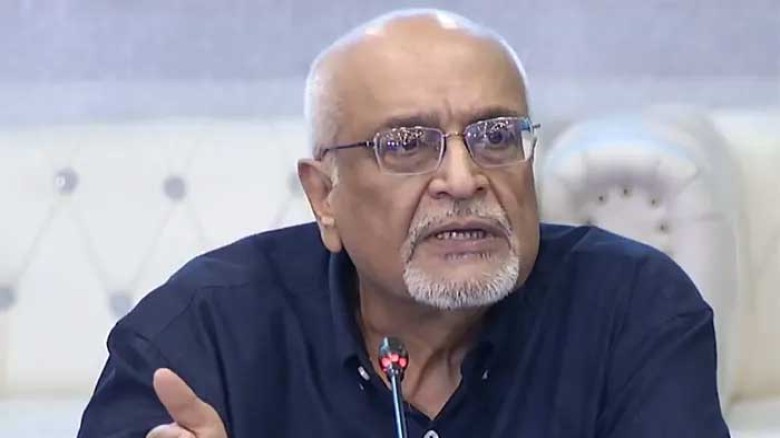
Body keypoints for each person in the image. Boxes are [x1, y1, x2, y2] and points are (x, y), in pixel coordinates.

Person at [77, 9, 729, 438]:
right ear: (324, 196)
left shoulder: (632, 309)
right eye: (407, 145)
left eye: (496, 136)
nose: (462, 179)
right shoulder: (200, 337)